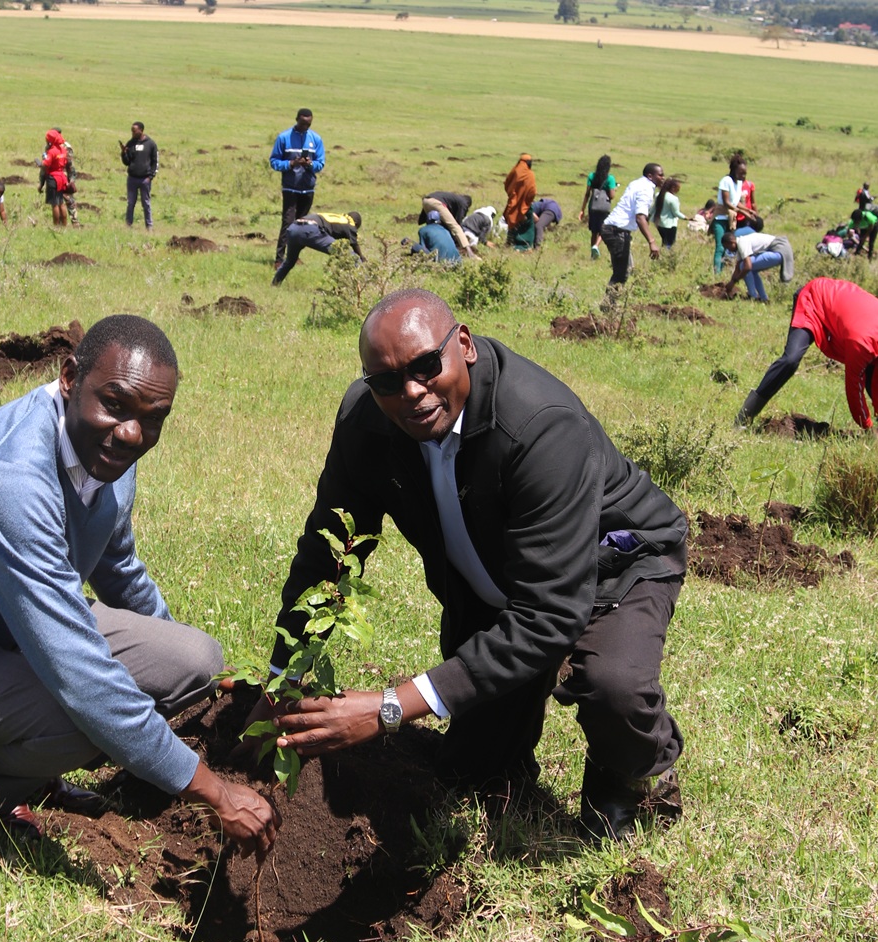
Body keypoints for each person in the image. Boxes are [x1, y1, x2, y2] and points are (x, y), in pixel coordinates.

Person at [0, 315, 279, 854]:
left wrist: (216, 678)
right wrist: (212, 789)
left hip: (1, 630)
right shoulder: (13, 479)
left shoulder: (105, 452)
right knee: (87, 711)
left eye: (152, 418)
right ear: (69, 378)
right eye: (114, 404)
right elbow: (80, 675)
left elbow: (118, 567)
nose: (132, 433)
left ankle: (2, 746)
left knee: (195, 659)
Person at [253, 289, 687, 841]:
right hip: (501, 579)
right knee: (470, 772)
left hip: (616, 561)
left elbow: (549, 614)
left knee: (612, 685)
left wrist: (389, 707)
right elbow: (329, 550)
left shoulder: (540, 426)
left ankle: (635, 769)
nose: (411, 392)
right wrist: (281, 676)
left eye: (425, 366)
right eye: (386, 382)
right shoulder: (367, 422)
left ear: (463, 345)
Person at [735, 278, 878, 435]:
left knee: (873, 367)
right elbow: (853, 387)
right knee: (791, 360)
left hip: (840, 309)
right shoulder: (862, 343)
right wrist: (867, 426)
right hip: (813, 298)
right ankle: (744, 417)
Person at [599, 163, 666, 297]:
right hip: (616, 231)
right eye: (660, 175)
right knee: (621, 272)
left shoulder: (637, 183)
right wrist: (652, 241)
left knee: (627, 268)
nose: (663, 178)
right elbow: (640, 217)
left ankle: (610, 305)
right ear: (650, 176)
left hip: (613, 229)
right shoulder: (646, 189)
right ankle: (608, 307)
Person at [269, 108, 325, 270]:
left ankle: (293, 258)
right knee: (288, 223)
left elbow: (320, 163)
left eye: (308, 124)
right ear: (296, 120)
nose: (305, 127)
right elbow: (274, 161)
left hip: (307, 189)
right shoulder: (284, 137)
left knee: (302, 226)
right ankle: (279, 259)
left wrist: (310, 164)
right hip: (290, 188)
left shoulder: (316, 139)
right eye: (302, 124)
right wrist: (291, 164)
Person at [271, 211, 363, 285]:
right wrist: (361, 257)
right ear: (356, 223)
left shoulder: (337, 217)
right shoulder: (350, 222)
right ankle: (364, 285)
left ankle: (274, 284)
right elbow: (354, 243)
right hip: (310, 230)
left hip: (293, 228)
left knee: (289, 262)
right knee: (351, 257)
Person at [712, 154, 759, 273]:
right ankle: (716, 273)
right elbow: (727, 202)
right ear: (734, 170)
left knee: (728, 246)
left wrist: (749, 210)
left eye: (745, 173)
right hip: (721, 218)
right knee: (720, 247)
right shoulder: (726, 181)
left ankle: (722, 270)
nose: (743, 176)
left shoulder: (738, 183)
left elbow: (736, 202)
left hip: (731, 219)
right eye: (741, 173)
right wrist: (744, 212)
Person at [722, 230, 794, 303]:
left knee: (744, 266)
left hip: (779, 250)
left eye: (728, 247)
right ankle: (763, 298)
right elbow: (737, 268)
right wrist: (731, 282)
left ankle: (753, 296)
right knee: (751, 269)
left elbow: (747, 267)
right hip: (778, 251)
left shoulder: (742, 243)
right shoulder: (739, 246)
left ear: (732, 242)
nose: (729, 250)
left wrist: (735, 281)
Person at [120, 121, 158, 230]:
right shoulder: (131, 143)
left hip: (144, 179)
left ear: (141, 130)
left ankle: (149, 226)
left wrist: (150, 177)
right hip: (132, 179)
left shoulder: (151, 144)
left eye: (134, 131)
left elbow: (155, 162)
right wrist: (124, 153)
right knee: (130, 203)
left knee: (146, 203)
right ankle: (128, 224)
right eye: (131, 131)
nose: (132, 133)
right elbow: (127, 162)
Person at [579, 154, 617, 259]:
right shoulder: (610, 179)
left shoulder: (592, 176)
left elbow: (587, 194)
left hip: (593, 206)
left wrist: (582, 210)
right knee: (604, 229)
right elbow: (612, 196)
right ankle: (596, 245)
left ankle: (593, 254)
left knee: (594, 230)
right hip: (604, 208)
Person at [420, 191, 477, 259]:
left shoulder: (454, 199)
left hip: (426, 201)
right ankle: (470, 253)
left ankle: (432, 246)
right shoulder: (464, 203)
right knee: (455, 226)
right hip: (436, 203)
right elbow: (457, 222)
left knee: (436, 226)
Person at [503, 153, 536, 249]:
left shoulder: (514, 171)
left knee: (512, 221)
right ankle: (523, 246)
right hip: (524, 205)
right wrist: (527, 200)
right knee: (527, 226)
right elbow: (533, 191)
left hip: (513, 203)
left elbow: (507, 183)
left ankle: (509, 243)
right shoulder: (530, 174)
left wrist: (512, 196)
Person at [40, 129, 70, 227]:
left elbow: (45, 165)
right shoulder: (63, 150)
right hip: (62, 177)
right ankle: (64, 225)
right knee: (61, 202)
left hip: (53, 178)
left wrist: (41, 164)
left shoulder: (52, 152)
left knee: (55, 204)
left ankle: (56, 226)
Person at [650, 178, 685, 250]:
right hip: (670, 224)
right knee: (670, 243)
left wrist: (648, 216)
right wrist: (686, 218)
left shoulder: (658, 195)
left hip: (659, 222)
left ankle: (663, 253)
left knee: (664, 241)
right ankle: (667, 256)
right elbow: (676, 213)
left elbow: (653, 208)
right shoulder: (673, 198)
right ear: (673, 188)